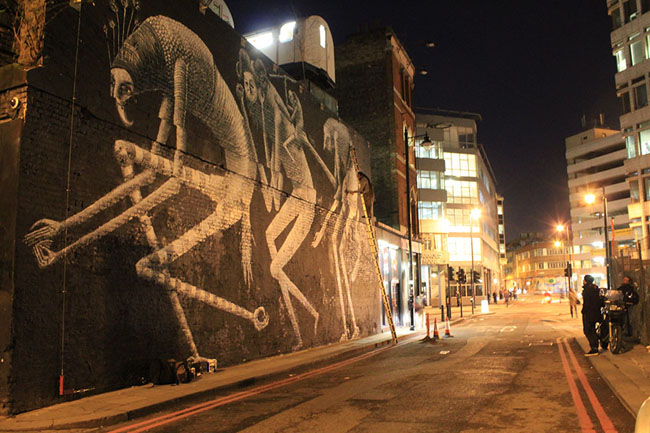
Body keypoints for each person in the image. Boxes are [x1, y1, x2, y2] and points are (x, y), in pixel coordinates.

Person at [582, 275, 604, 356]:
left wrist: (583, 311)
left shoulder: (587, 290)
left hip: (589, 313)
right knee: (592, 330)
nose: (583, 281)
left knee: (588, 330)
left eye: (584, 280)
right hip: (596, 312)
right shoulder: (596, 289)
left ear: (586, 281)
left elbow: (587, 303)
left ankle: (594, 348)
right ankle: (595, 346)